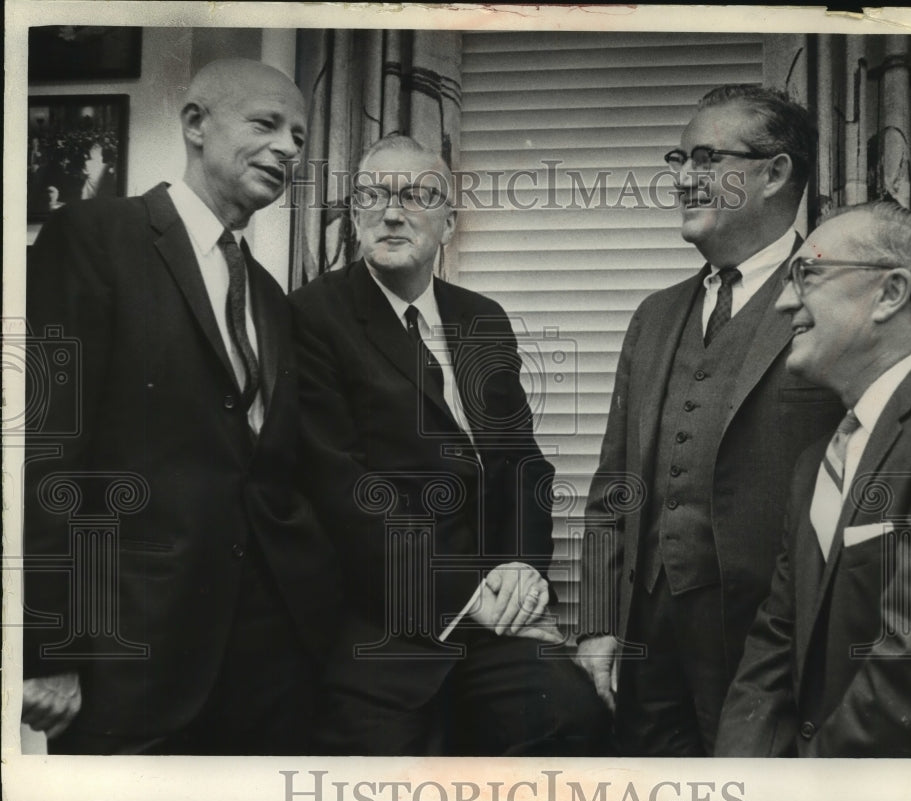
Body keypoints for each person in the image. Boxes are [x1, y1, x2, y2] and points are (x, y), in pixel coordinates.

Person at [21, 58, 339, 754]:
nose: (289, 147)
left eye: (299, 135)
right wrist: (48, 648)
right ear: (196, 124)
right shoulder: (94, 238)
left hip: (266, 672)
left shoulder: (272, 299)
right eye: (267, 123)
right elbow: (47, 453)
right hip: (129, 662)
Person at [291, 134, 608, 755]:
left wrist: (520, 566)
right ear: (354, 213)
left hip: (494, 617)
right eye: (373, 195)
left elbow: (522, 464)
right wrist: (465, 593)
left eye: (416, 195)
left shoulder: (480, 318)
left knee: (574, 721)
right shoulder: (311, 315)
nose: (391, 211)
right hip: (382, 624)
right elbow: (341, 489)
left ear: (449, 221)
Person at [574, 85, 844, 756]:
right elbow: (615, 484)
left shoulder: (842, 296)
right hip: (647, 650)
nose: (682, 180)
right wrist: (599, 625)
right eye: (679, 159)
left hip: (777, 648)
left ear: (776, 172)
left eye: (706, 159)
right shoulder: (655, 315)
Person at [715, 203, 911, 757]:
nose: (785, 302)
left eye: (806, 275)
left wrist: (804, 794)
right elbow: (773, 646)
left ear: (890, 293)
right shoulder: (816, 462)